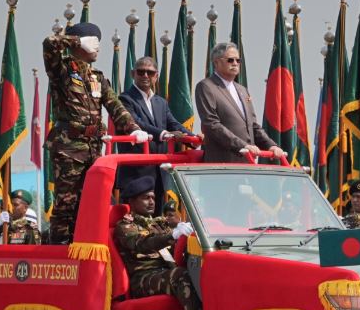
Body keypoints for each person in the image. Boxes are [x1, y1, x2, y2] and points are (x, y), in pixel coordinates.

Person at [44, 21, 147, 244]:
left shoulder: (97, 77)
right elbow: (49, 44)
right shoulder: (61, 70)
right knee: (66, 205)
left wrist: (134, 128)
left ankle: (83, 245)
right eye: (94, 42)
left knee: (91, 201)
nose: (98, 48)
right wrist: (75, 40)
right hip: (69, 148)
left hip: (92, 148)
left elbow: (115, 106)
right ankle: (60, 250)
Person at [113, 176, 202, 310]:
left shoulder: (158, 223)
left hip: (163, 272)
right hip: (143, 279)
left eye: (153, 198)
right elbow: (143, 244)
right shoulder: (125, 226)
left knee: (201, 270)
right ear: (132, 202)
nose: (152, 202)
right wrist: (172, 235)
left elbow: (175, 247)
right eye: (145, 198)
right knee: (180, 275)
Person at [117, 56, 198, 203]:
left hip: (159, 173)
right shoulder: (124, 99)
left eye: (150, 72)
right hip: (136, 175)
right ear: (132, 74)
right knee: (134, 222)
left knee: (157, 222)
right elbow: (137, 122)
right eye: (141, 72)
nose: (145, 76)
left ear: (157, 76)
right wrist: (163, 134)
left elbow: (174, 124)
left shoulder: (160, 102)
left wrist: (194, 139)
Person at [194, 42, 285, 163]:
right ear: (216, 62)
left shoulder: (242, 90)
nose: (235, 63)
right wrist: (242, 146)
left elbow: (253, 126)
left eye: (238, 60)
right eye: (230, 60)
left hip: (248, 162)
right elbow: (212, 124)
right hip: (223, 163)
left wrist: (271, 145)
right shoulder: (206, 86)